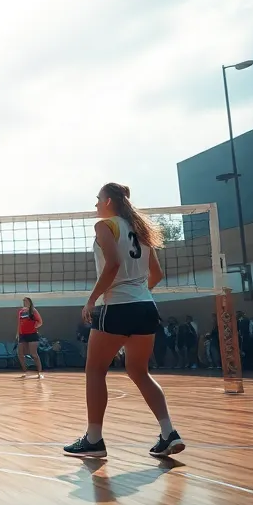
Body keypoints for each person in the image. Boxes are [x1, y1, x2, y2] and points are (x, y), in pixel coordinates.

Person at [63, 183, 184, 459]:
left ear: (108, 201)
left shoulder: (104, 226)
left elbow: (113, 264)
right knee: (139, 371)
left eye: (98, 199)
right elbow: (157, 274)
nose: (95, 204)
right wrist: (138, 295)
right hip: (146, 308)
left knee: (95, 371)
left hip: (116, 307)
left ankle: (94, 440)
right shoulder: (141, 229)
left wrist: (92, 299)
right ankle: (169, 432)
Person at [16, 297, 44, 378]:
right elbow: (19, 323)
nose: (25, 302)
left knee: (33, 354)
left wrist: (34, 326)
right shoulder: (21, 312)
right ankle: (26, 371)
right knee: (20, 354)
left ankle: (39, 372)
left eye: (26, 301)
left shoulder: (33, 310)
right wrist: (18, 333)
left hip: (32, 334)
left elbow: (40, 322)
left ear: (30, 302)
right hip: (22, 335)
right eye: (24, 301)